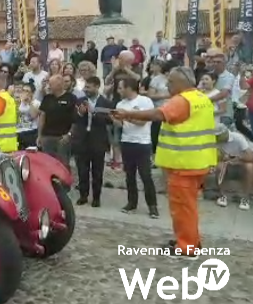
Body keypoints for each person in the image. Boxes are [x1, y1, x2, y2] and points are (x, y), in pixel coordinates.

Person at [111, 66, 217, 258]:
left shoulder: (181, 100)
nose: (167, 85)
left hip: (183, 163)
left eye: (170, 82)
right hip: (198, 161)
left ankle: (186, 247)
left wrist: (127, 114)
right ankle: (191, 240)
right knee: (189, 206)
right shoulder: (201, 98)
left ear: (181, 83)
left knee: (182, 208)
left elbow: (158, 115)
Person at [115, 76, 158, 218]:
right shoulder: (120, 104)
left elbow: (142, 122)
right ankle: (131, 203)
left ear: (128, 88)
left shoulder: (145, 101)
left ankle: (152, 206)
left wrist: (126, 117)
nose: (119, 90)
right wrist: (115, 119)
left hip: (142, 143)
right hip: (127, 141)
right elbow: (121, 125)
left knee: (145, 175)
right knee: (129, 175)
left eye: (121, 88)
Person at [72, 76, 113, 207]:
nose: (86, 89)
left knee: (97, 171)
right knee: (82, 171)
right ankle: (83, 196)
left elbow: (109, 120)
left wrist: (94, 112)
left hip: (98, 141)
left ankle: (96, 197)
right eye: (85, 87)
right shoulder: (79, 101)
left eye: (89, 87)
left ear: (97, 87)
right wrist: (80, 113)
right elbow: (73, 118)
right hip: (82, 141)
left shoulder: (106, 103)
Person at [37, 75, 76, 167]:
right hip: (47, 137)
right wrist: (39, 135)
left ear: (59, 84)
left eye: (51, 84)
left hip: (62, 138)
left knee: (63, 164)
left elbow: (75, 119)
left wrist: (69, 134)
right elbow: (42, 116)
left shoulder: (71, 98)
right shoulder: (47, 98)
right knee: (47, 164)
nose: (49, 86)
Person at [213, 124, 252, 210]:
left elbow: (250, 156)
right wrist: (223, 157)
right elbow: (215, 158)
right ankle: (222, 196)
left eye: (218, 136)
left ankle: (245, 198)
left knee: (250, 167)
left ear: (225, 133)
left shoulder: (238, 138)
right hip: (227, 164)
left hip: (241, 162)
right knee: (219, 167)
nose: (216, 138)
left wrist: (238, 158)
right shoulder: (216, 141)